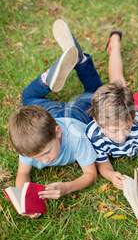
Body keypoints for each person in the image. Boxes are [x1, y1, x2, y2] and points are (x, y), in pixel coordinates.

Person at [8, 19, 102, 217]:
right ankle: (47, 78)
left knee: (96, 95)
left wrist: (68, 187)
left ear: (57, 132)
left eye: (47, 152)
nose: (46, 159)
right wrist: (25, 202)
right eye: (37, 157)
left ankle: (81, 61)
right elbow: (23, 174)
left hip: (75, 115)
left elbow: (91, 175)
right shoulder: (29, 144)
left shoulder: (77, 139)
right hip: (47, 113)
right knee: (28, 98)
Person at [85, 30, 138, 191]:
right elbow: (102, 162)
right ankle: (115, 42)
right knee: (117, 82)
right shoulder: (93, 133)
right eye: (113, 131)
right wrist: (110, 174)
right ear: (96, 122)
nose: (121, 136)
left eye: (127, 127)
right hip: (119, 107)